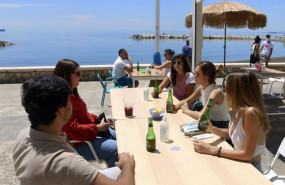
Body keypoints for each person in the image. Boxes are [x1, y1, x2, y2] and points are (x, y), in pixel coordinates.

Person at [13, 75, 135, 185]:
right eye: (69, 101)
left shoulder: (23, 136)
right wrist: (127, 165)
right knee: (133, 172)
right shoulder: (67, 163)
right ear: (60, 110)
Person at [192, 71, 270, 172]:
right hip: (241, 163)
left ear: (237, 91)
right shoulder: (241, 110)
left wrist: (212, 149)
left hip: (251, 168)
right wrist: (212, 129)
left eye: (226, 88)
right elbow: (233, 134)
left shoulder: (250, 113)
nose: (224, 92)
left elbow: (247, 154)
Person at [54, 59, 118, 167]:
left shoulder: (72, 92)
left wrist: (99, 120)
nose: (81, 76)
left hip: (87, 136)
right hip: (78, 144)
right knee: (117, 149)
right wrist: (97, 128)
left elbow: (84, 114)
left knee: (122, 136)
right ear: (66, 75)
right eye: (78, 73)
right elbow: (73, 131)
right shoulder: (62, 100)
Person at [174, 61, 229, 128]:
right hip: (208, 122)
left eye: (197, 74)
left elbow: (202, 115)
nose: (194, 76)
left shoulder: (216, 92)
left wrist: (186, 110)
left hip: (219, 126)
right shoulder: (201, 88)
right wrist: (176, 106)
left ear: (207, 76)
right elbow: (187, 100)